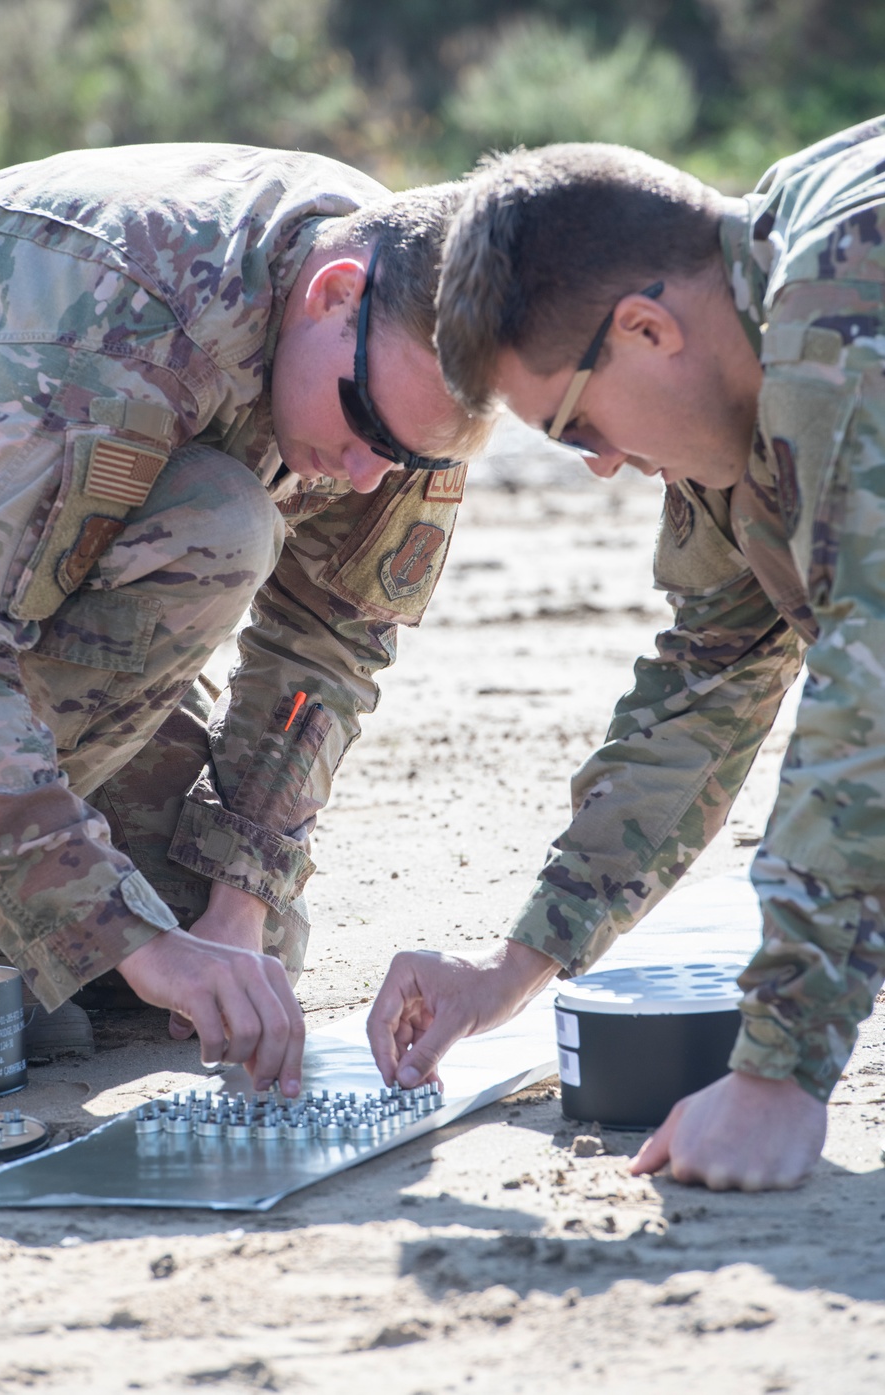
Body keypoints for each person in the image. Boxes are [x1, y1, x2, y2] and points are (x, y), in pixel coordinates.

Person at [0, 142, 487, 1091]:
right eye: (368, 430)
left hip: (21, 574)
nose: (371, 474)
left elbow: (328, 646)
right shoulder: (104, 314)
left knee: (238, 945)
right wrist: (115, 934)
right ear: (333, 294)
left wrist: (239, 899)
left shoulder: (409, 349)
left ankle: (17, 911)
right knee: (218, 521)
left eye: (405, 458)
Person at [367, 115, 885, 1189]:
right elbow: (705, 684)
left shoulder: (840, 327)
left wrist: (776, 1077)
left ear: (647, 330)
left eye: (573, 426)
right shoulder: (744, 353)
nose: (600, 466)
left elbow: (865, 697)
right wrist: (508, 972)